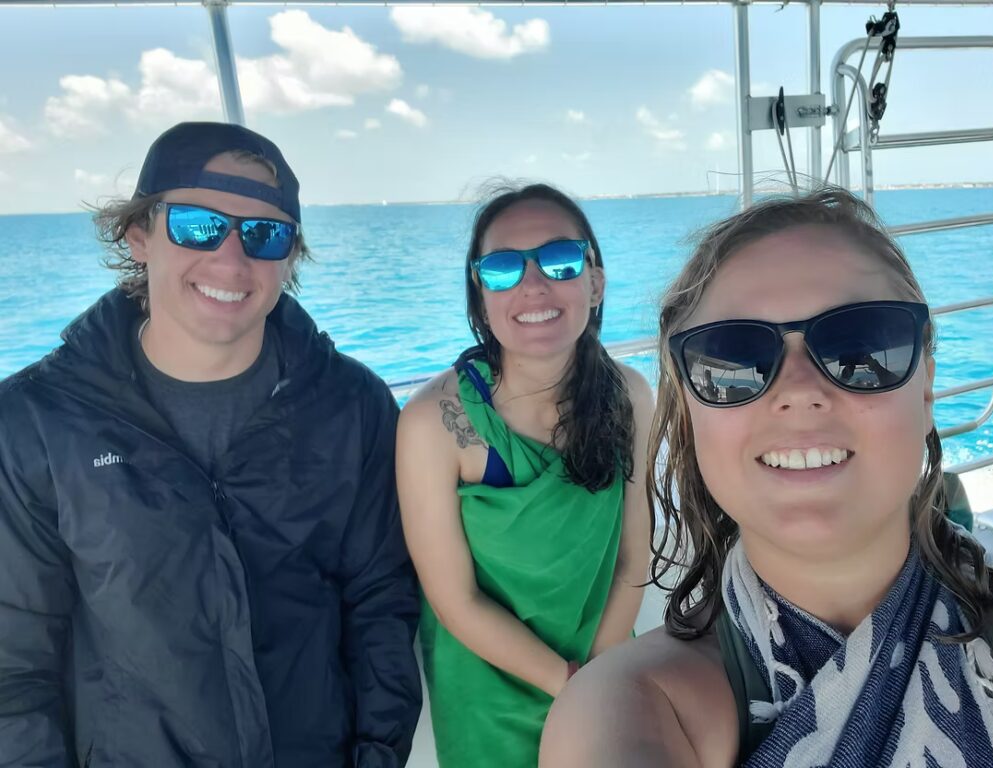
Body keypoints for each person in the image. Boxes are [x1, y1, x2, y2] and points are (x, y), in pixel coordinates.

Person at [540, 187, 993, 768]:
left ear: (925, 389)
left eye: (860, 348)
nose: (797, 392)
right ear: (691, 418)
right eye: (735, 361)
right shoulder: (633, 705)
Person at [0, 121, 421, 767]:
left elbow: (380, 608)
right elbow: (14, 661)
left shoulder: (352, 406)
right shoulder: (36, 422)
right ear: (139, 235)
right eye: (197, 224)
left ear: (289, 256)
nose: (231, 259)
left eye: (264, 233)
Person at [396, 182, 654, 767]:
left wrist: (598, 680)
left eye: (560, 261)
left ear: (596, 280)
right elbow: (456, 601)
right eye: (503, 269)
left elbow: (633, 560)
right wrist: (566, 682)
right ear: (479, 295)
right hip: (489, 696)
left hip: (606, 669)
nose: (533, 285)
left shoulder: (631, 398)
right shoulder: (432, 423)